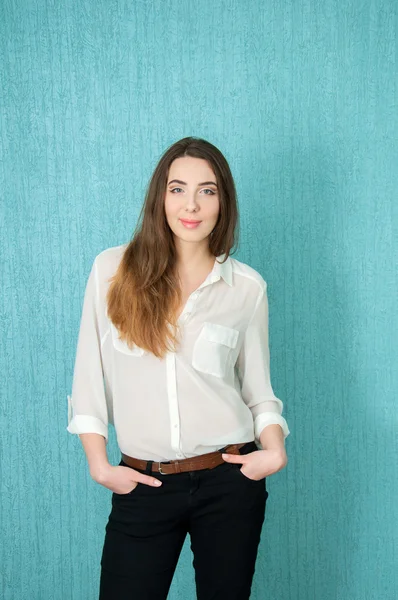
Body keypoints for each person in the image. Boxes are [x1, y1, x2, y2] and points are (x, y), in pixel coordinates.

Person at [67, 136, 290, 600]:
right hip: (143, 484)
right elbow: (89, 377)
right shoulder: (112, 271)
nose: (191, 205)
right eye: (178, 189)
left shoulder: (246, 288)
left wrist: (273, 451)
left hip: (230, 481)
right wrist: (99, 465)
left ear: (223, 202)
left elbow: (258, 390)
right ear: (160, 197)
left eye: (207, 191)